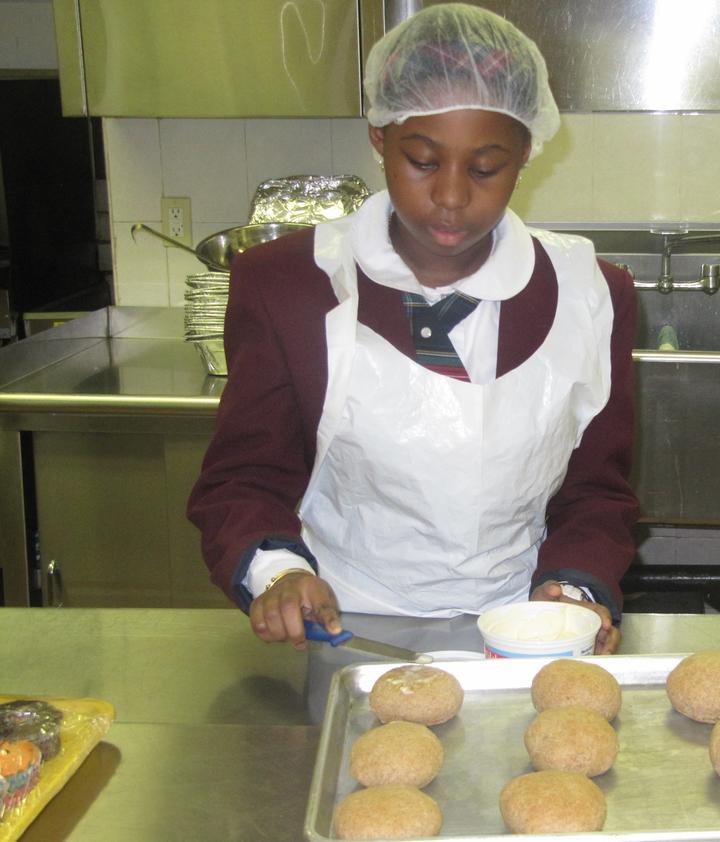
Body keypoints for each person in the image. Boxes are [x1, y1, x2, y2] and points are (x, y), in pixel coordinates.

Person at [186, 3, 638, 655]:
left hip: (523, 638)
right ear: (379, 136)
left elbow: (598, 491)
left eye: (486, 168)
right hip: (340, 631)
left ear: (526, 153)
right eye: (422, 160)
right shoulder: (291, 284)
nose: (451, 195)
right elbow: (245, 478)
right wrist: (278, 574)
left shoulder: (591, 293)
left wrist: (575, 591)